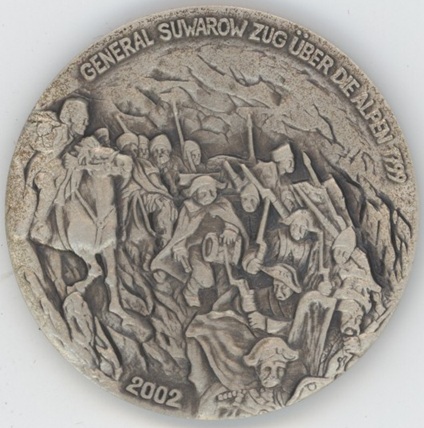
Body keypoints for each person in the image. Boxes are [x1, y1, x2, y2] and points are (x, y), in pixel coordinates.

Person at [151, 175, 248, 307]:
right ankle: (190, 292)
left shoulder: (222, 204)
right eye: (203, 193)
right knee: (205, 278)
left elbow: (232, 221)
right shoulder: (189, 208)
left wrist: (231, 229)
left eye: (212, 192)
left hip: (221, 248)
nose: (208, 196)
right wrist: (180, 246)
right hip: (196, 247)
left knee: (225, 277)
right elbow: (182, 231)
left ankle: (223, 305)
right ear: (195, 194)